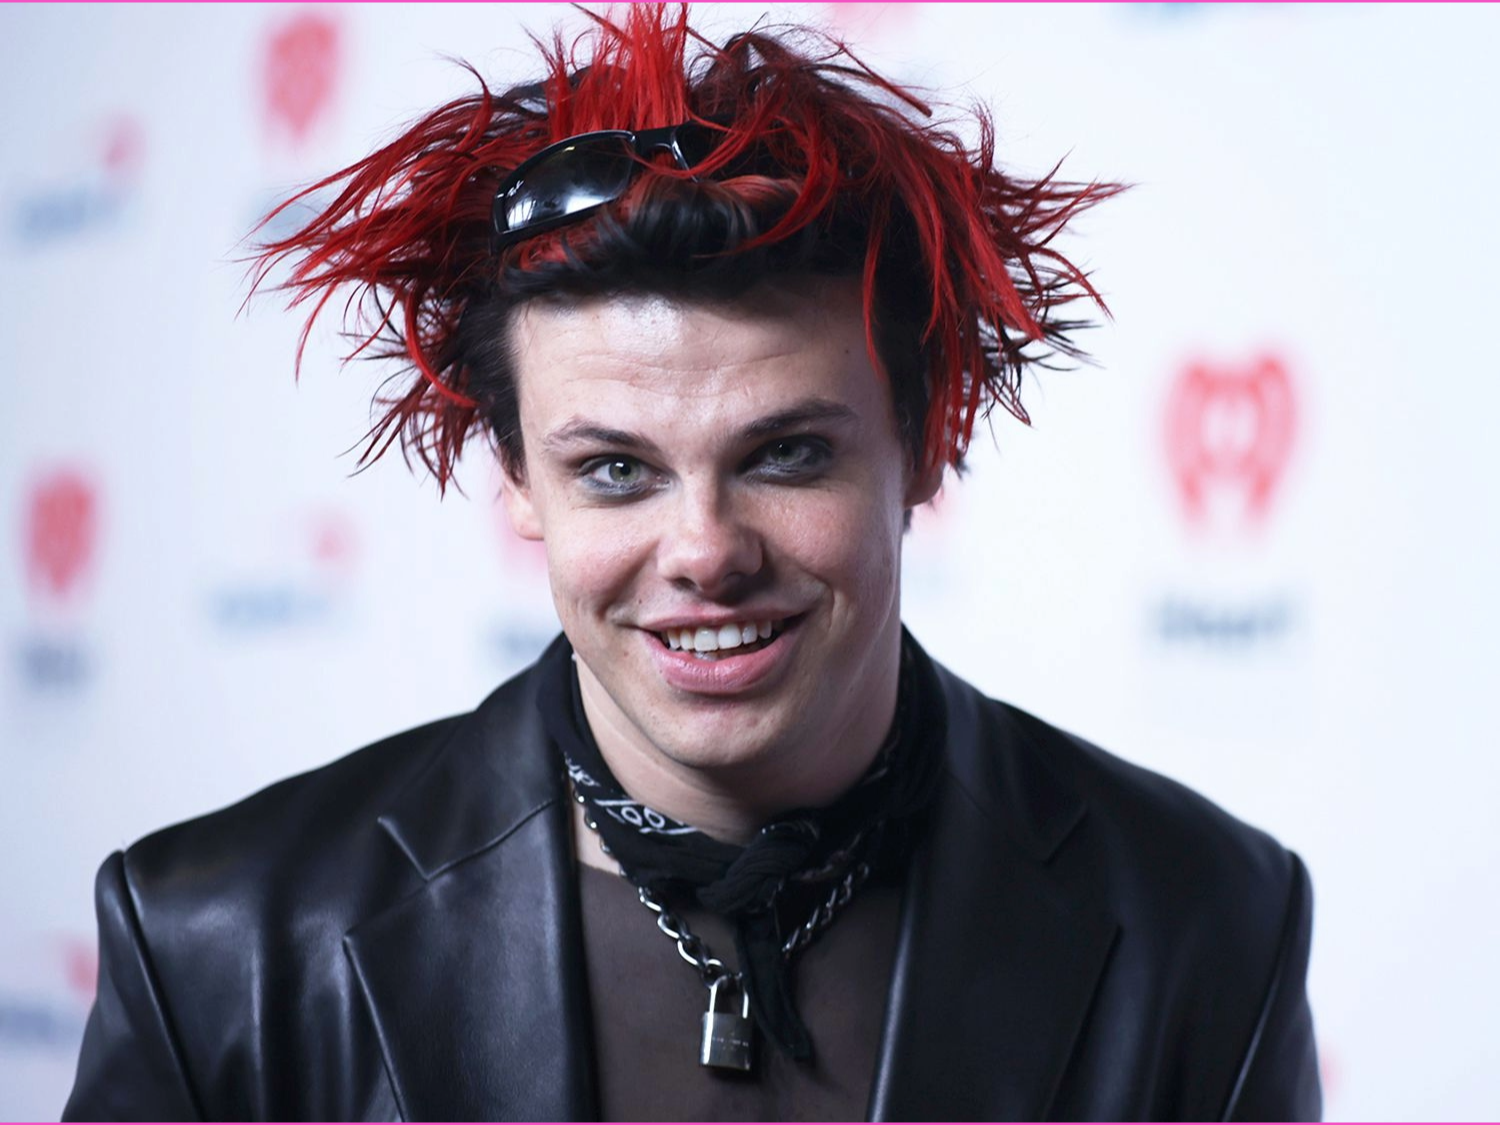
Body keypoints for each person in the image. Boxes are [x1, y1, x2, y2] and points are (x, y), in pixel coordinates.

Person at [64, 6, 1320, 1121]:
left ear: (927, 441)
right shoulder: (214, 943)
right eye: (616, 470)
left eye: (784, 456)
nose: (705, 552)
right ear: (516, 479)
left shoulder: (1207, 921)